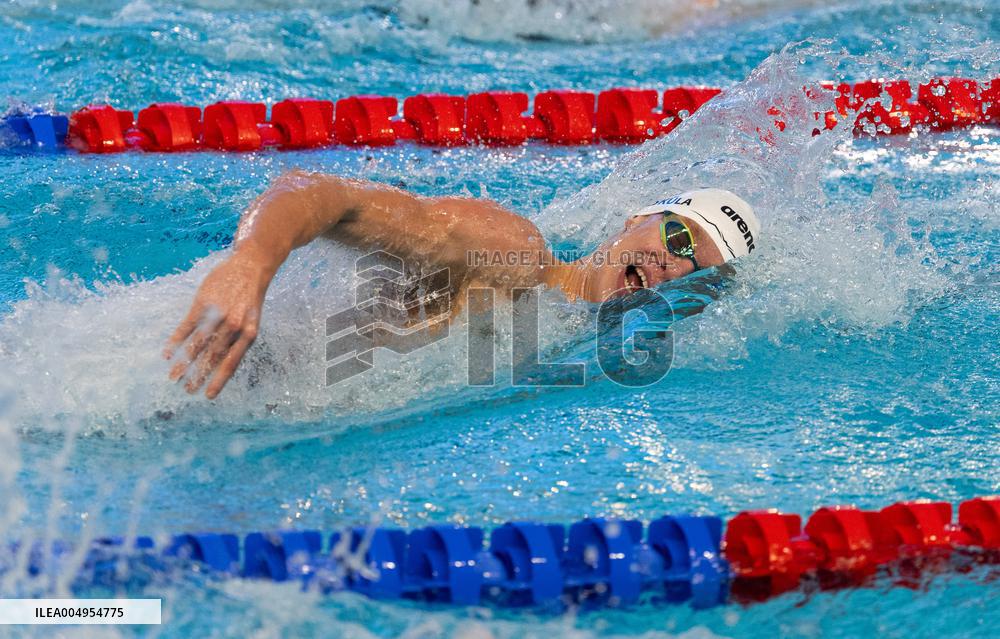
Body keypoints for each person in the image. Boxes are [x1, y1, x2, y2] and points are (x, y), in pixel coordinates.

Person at [165, 170, 761, 398]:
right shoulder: (512, 254)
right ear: (639, 218)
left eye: (697, 270)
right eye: (680, 240)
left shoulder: (569, 347)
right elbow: (322, 195)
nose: (674, 266)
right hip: (204, 355)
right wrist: (250, 264)